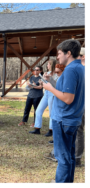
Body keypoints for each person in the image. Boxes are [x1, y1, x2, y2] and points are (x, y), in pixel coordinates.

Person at [42, 39, 86, 184]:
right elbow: (67, 90)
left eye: (59, 53)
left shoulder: (71, 70)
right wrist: (53, 84)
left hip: (63, 119)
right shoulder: (80, 68)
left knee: (62, 158)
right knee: (69, 156)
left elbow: (67, 98)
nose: (58, 57)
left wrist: (49, 88)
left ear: (68, 53)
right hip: (72, 118)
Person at [29, 60, 58, 136]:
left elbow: (56, 85)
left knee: (51, 113)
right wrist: (41, 81)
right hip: (46, 93)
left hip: (52, 94)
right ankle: (37, 128)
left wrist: (49, 79)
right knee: (38, 110)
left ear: (52, 65)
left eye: (48, 64)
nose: (47, 66)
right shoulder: (47, 73)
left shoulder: (56, 74)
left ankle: (51, 130)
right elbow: (44, 83)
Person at [75, 47, 86, 167]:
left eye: (78, 55)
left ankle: (77, 159)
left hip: (82, 104)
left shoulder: (81, 70)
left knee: (78, 131)